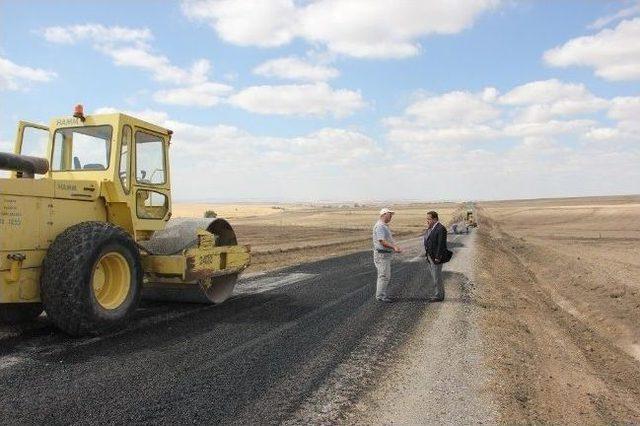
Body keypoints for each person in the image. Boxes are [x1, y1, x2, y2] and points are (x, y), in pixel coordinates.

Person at [372, 208, 402, 302]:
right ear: (384, 214)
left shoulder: (383, 225)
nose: (391, 217)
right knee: (384, 276)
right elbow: (382, 241)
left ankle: (381, 295)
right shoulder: (380, 226)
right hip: (382, 255)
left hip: (384, 255)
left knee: (384, 275)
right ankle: (380, 296)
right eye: (390, 215)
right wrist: (394, 247)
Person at [423, 210, 447, 302]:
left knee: (437, 277)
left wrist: (438, 257)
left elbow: (441, 244)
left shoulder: (441, 228)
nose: (427, 221)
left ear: (435, 219)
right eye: (427, 219)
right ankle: (438, 294)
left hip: (436, 257)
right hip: (430, 256)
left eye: (429, 219)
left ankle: (439, 296)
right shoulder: (431, 228)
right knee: (434, 276)